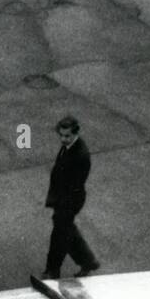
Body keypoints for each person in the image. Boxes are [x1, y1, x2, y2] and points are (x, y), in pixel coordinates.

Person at [43, 116, 99, 278]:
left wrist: (62, 205)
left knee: (59, 236)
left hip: (69, 201)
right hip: (63, 198)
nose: (63, 139)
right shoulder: (70, 146)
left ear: (76, 133)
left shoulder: (80, 155)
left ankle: (53, 270)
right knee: (66, 231)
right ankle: (88, 261)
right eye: (61, 135)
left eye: (67, 136)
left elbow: (75, 184)